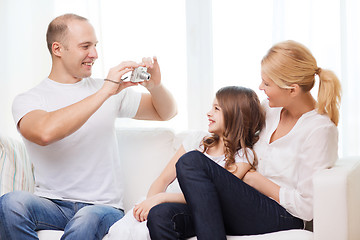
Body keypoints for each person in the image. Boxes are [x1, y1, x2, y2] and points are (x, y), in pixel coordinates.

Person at [0, 13, 177, 240]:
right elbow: (45, 133)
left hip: (103, 208)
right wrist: (104, 91)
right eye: (85, 46)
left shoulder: (111, 91)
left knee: (86, 220)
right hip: (52, 205)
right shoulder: (29, 100)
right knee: (10, 204)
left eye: (95, 45)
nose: (94, 54)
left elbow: (166, 112)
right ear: (58, 49)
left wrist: (156, 86)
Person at [146, 40, 342, 239]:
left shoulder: (319, 130)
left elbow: (306, 208)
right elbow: (235, 126)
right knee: (160, 216)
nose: (260, 87)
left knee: (191, 161)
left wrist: (255, 180)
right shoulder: (269, 110)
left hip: (281, 214)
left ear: (292, 90)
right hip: (241, 202)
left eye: (267, 83)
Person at [107, 85, 265, 240]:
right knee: (130, 228)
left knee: (161, 215)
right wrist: (150, 203)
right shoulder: (197, 141)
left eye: (216, 109)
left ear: (235, 115)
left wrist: (161, 199)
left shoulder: (244, 156)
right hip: (162, 204)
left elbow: (211, 197)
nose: (209, 113)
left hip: (192, 211)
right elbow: (162, 180)